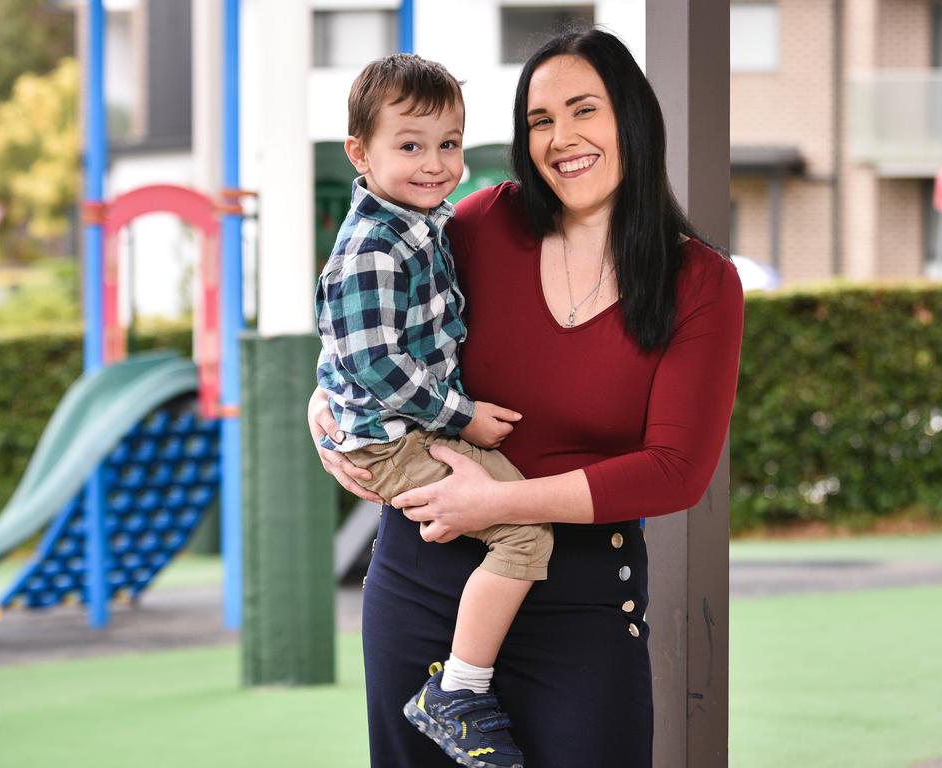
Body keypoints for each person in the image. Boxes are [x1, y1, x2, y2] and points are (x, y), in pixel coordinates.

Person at [308, 29, 744, 767]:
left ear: (632, 117)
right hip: (423, 583)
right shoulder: (477, 224)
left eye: (584, 111)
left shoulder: (698, 282)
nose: (562, 138)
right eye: (540, 121)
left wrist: (503, 505)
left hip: (582, 603)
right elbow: (369, 318)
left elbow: (676, 469)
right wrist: (322, 405)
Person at [314, 54, 551, 767]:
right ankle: (459, 691)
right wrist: (462, 416)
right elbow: (374, 365)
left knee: (518, 516)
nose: (434, 163)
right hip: (393, 438)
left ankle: (465, 680)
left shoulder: (424, 222)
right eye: (410, 146)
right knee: (525, 532)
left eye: (448, 144)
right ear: (360, 152)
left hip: (405, 425)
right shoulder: (371, 248)